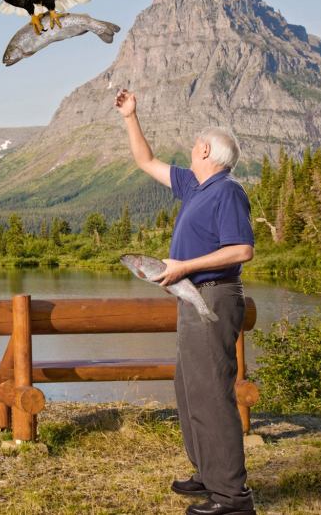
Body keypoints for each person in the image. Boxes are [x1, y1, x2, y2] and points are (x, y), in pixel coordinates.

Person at [115, 88, 256, 515]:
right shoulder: (197, 186)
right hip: (195, 298)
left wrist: (182, 266)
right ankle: (208, 475)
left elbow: (241, 250)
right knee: (189, 388)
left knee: (212, 393)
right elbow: (146, 162)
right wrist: (130, 116)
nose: (191, 148)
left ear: (208, 150)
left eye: (196, 144)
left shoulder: (227, 191)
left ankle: (232, 497)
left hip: (213, 296)